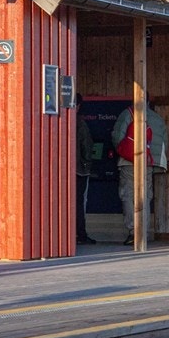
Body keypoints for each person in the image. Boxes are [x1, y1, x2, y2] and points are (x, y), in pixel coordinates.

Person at [113, 101, 166, 245]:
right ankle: (144, 232)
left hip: (129, 162)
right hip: (148, 163)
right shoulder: (157, 118)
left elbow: (117, 137)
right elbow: (162, 143)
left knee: (128, 194)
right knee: (145, 196)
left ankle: (133, 232)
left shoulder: (128, 114)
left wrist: (122, 151)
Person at [74, 96, 95, 244]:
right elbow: (87, 147)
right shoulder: (80, 123)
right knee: (79, 204)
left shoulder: (59, 122)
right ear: (79, 106)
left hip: (62, 172)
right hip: (79, 171)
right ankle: (81, 235)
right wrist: (88, 166)